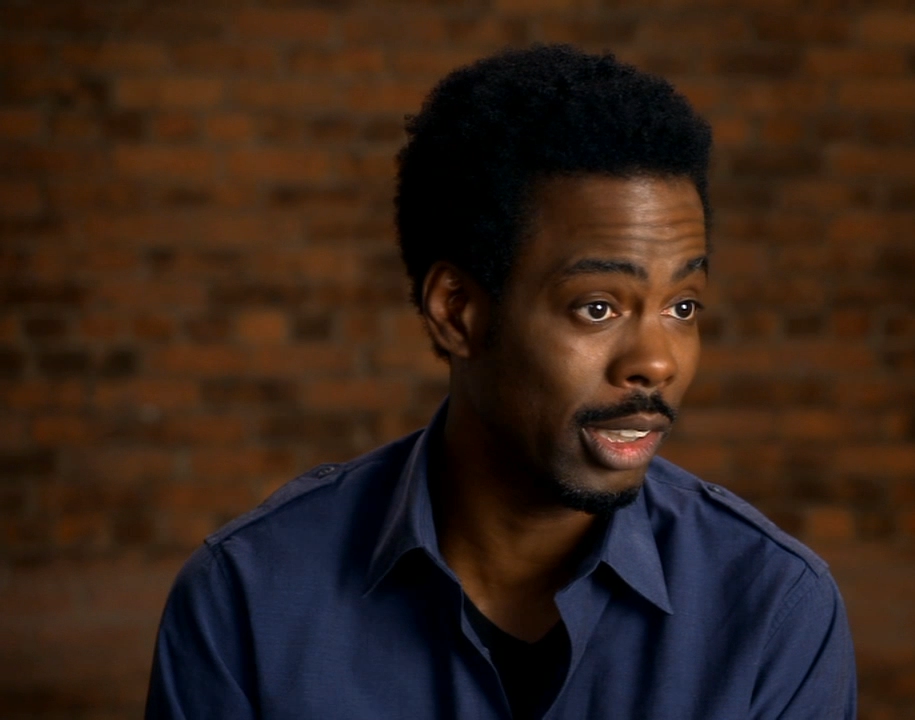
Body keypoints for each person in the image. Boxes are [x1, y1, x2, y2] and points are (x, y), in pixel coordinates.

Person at [146, 44, 856, 719]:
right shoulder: (247, 602)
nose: (659, 361)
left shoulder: (772, 609)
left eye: (683, 307)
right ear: (458, 312)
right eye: (598, 307)